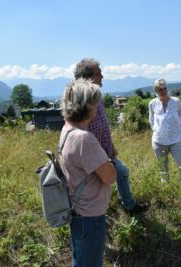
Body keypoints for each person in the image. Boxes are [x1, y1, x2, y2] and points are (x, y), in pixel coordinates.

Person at [74, 58, 150, 215]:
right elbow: (82, 132)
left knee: (121, 173)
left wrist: (111, 146)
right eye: (99, 73)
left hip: (104, 152)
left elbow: (102, 125)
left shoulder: (96, 96)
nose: (102, 76)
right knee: (110, 178)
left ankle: (124, 206)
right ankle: (118, 209)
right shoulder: (81, 100)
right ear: (88, 76)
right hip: (94, 156)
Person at [59, 79, 116, 267]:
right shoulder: (84, 139)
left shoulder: (67, 130)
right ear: (86, 105)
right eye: (95, 102)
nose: (97, 106)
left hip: (78, 211)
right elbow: (110, 177)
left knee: (81, 261)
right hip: (91, 215)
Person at [148, 78, 181, 190]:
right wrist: (156, 130)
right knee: (163, 169)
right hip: (158, 141)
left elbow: (180, 116)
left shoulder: (176, 101)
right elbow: (151, 120)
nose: (163, 91)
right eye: (160, 89)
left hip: (175, 140)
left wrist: (180, 131)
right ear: (156, 91)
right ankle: (166, 191)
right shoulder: (152, 104)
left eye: (165, 88)